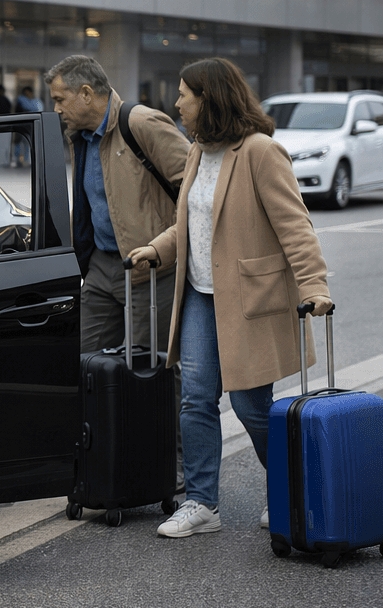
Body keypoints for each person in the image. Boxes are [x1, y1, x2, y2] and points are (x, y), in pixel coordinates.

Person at [127, 58, 332, 538]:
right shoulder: (198, 150)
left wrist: (315, 286)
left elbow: (295, 226)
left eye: (184, 95)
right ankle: (202, 503)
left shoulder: (260, 152)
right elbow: (193, 220)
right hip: (199, 293)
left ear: (210, 98)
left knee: (250, 406)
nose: (177, 103)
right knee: (195, 400)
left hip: (248, 299)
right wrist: (159, 249)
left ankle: (287, 488)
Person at [45, 55, 188, 355]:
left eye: (60, 99)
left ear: (86, 93)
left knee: (150, 368)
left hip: (151, 268)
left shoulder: (141, 123)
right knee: (83, 360)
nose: (56, 109)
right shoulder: (80, 137)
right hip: (100, 266)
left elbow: (197, 191)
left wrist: (165, 247)